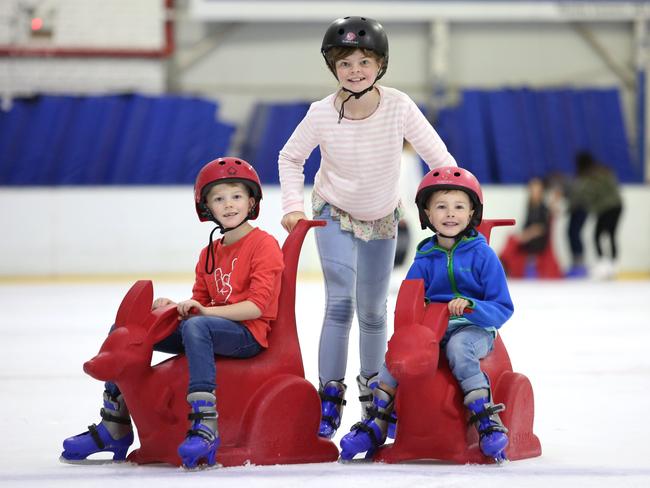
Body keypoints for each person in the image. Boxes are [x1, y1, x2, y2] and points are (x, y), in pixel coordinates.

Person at [278, 16, 457, 439]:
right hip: (333, 209)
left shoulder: (398, 105)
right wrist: (292, 205)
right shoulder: (321, 113)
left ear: (381, 64)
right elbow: (290, 157)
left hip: (381, 214)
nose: (355, 70)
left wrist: (456, 198)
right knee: (340, 303)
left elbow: (439, 158)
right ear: (333, 69)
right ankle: (329, 395)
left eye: (364, 61)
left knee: (374, 311)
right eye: (345, 64)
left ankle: (376, 397)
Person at [60, 157, 284, 469]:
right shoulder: (209, 254)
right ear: (206, 207)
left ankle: (205, 424)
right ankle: (115, 423)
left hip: (248, 334)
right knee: (128, 329)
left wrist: (203, 312)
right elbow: (199, 305)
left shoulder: (264, 245)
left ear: (251, 201)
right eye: (219, 198)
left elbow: (257, 307)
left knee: (197, 328)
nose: (229, 205)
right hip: (210, 327)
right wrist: (174, 309)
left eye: (236, 196)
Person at [339, 167, 514, 462]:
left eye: (459, 207)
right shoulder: (424, 257)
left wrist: (471, 306)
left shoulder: (483, 255)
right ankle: (378, 419)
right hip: (432, 329)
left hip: (473, 329)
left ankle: (485, 420)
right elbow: (410, 297)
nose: (450, 214)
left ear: (472, 213)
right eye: (441, 207)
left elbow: (502, 307)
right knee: (397, 353)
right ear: (427, 215)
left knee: (459, 348)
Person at [572, 151, 623, 280]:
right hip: (616, 206)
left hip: (607, 208)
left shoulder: (590, 176)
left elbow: (587, 194)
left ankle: (605, 264)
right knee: (610, 234)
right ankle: (611, 264)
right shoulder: (602, 171)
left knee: (598, 235)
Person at [499, 177, 552, 278]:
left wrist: (525, 235)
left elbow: (540, 228)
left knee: (512, 241)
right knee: (510, 238)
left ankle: (503, 266)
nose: (534, 192)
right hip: (529, 237)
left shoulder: (543, 208)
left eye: (537, 190)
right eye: (533, 190)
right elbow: (527, 225)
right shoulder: (530, 206)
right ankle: (503, 264)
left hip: (537, 241)